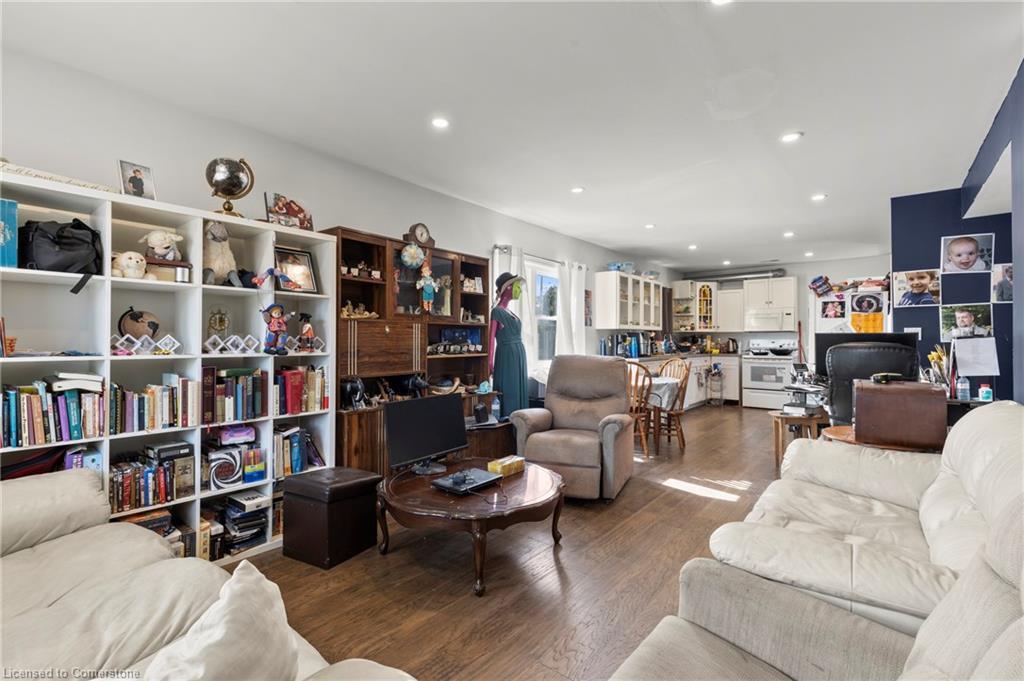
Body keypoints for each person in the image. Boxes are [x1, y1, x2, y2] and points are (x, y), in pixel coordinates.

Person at [489, 272, 528, 419]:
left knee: (519, 391)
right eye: (518, 286)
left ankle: (521, 426)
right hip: (507, 356)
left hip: (518, 356)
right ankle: (508, 426)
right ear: (508, 288)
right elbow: (491, 338)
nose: (520, 290)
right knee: (509, 390)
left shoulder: (509, 312)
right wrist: (490, 362)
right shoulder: (497, 312)